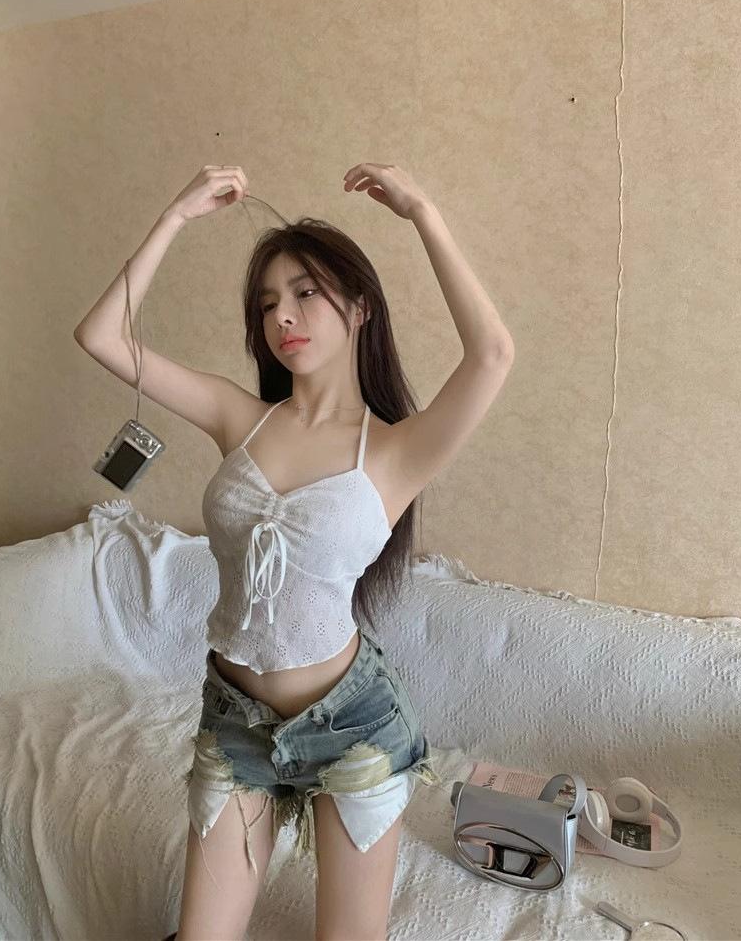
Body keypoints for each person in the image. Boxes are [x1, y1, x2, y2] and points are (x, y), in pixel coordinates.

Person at [74, 162, 514, 940]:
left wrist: (423, 212)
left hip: (353, 729)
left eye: (306, 292)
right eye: (268, 303)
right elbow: (102, 337)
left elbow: (492, 356)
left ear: (360, 307)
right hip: (235, 722)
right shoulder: (236, 415)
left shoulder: (397, 451)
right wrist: (176, 216)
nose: (284, 315)